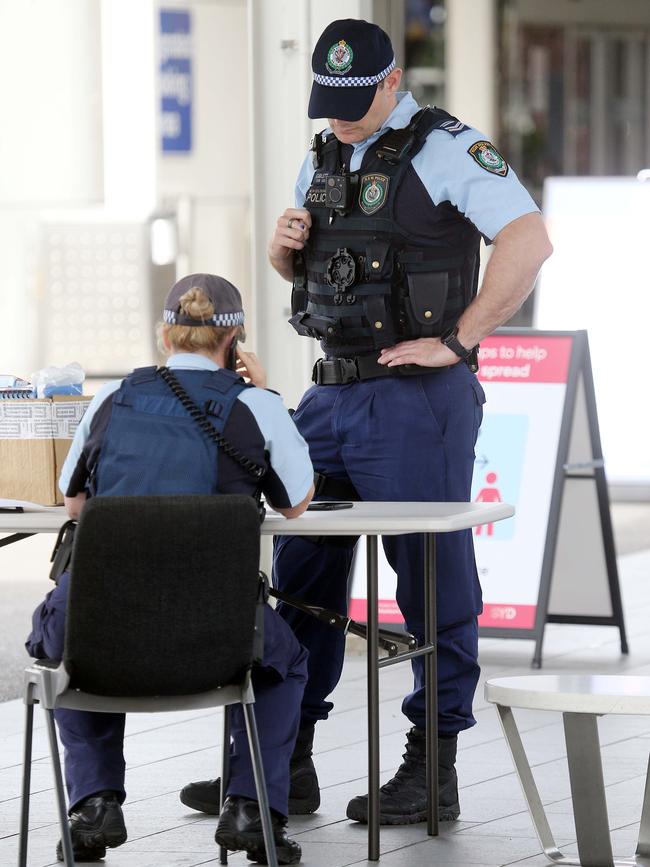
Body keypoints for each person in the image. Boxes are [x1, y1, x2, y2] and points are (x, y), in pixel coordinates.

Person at [182, 17, 553, 828]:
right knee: (300, 582)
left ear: (392, 82)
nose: (340, 116)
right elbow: (314, 263)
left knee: (430, 581)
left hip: (414, 400)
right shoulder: (324, 151)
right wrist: (284, 252)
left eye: (355, 100)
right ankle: (284, 764)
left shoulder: (449, 145)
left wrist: (458, 340)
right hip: (327, 396)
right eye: (330, 101)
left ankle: (433, 769)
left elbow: (529, 240)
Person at [26, 274, 314, 865]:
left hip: (101, 631)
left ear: (166, 335)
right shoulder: (255, 407)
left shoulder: (112, 401)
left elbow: (75, 504)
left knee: (70, 636)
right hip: (217, 638)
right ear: (234, 343)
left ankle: (93, 804)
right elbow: (296, 501)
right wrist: (264, 393)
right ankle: (249, 808)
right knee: (285, 660)